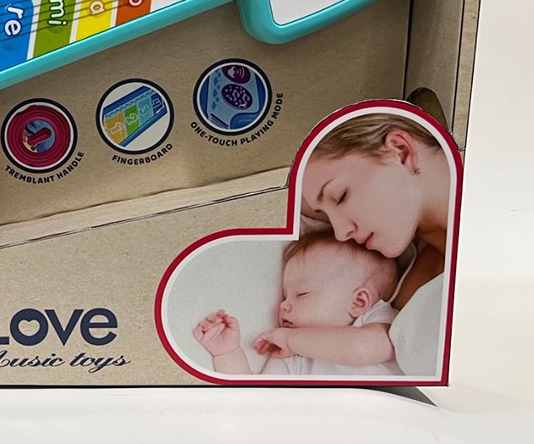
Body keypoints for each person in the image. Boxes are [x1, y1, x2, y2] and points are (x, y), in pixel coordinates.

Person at [299, 111, 452, 375]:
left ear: (401, 151)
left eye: (340, 197)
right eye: (325, 214)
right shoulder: (410, 276)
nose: (340, 233)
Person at [193, 233, 401, 375]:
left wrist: (291, 340)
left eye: (301, 294)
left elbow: (363, 348)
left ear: (358, 301)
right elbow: (256, 399)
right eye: (285, 296)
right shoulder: (289, 357)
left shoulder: (376, 320)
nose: (283, 306)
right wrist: (228, 353)